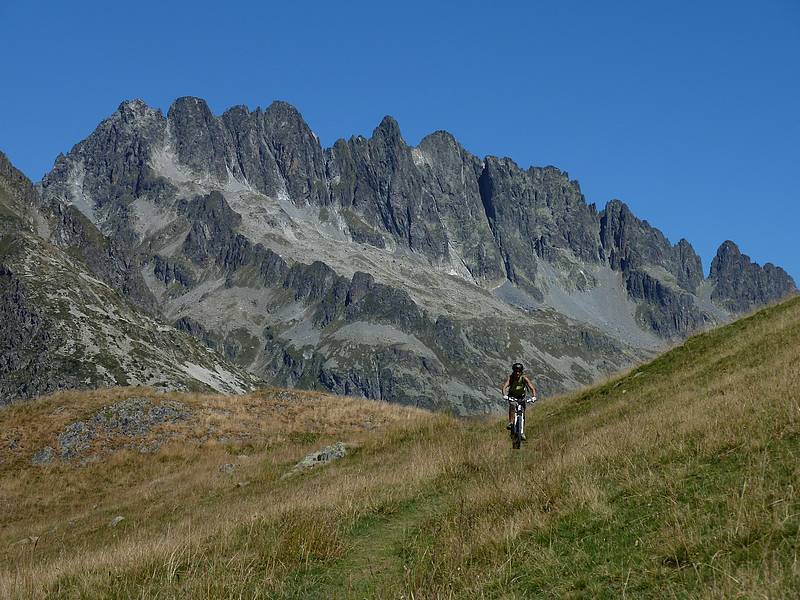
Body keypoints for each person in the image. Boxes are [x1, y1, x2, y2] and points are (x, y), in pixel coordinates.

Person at [501, 362, 537, 440]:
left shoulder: (524, 378)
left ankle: (522, 432)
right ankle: (511, 422)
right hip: (512, 396)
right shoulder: (511, 378)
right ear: (513, 371)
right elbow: (504, 387)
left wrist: (534, 396)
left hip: (521, 397)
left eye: (519, 371)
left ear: (521, 372)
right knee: (513, 406)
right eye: (516, 371)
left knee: (523, 414)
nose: (517, 373)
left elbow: (532, 388)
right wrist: (504, 395)